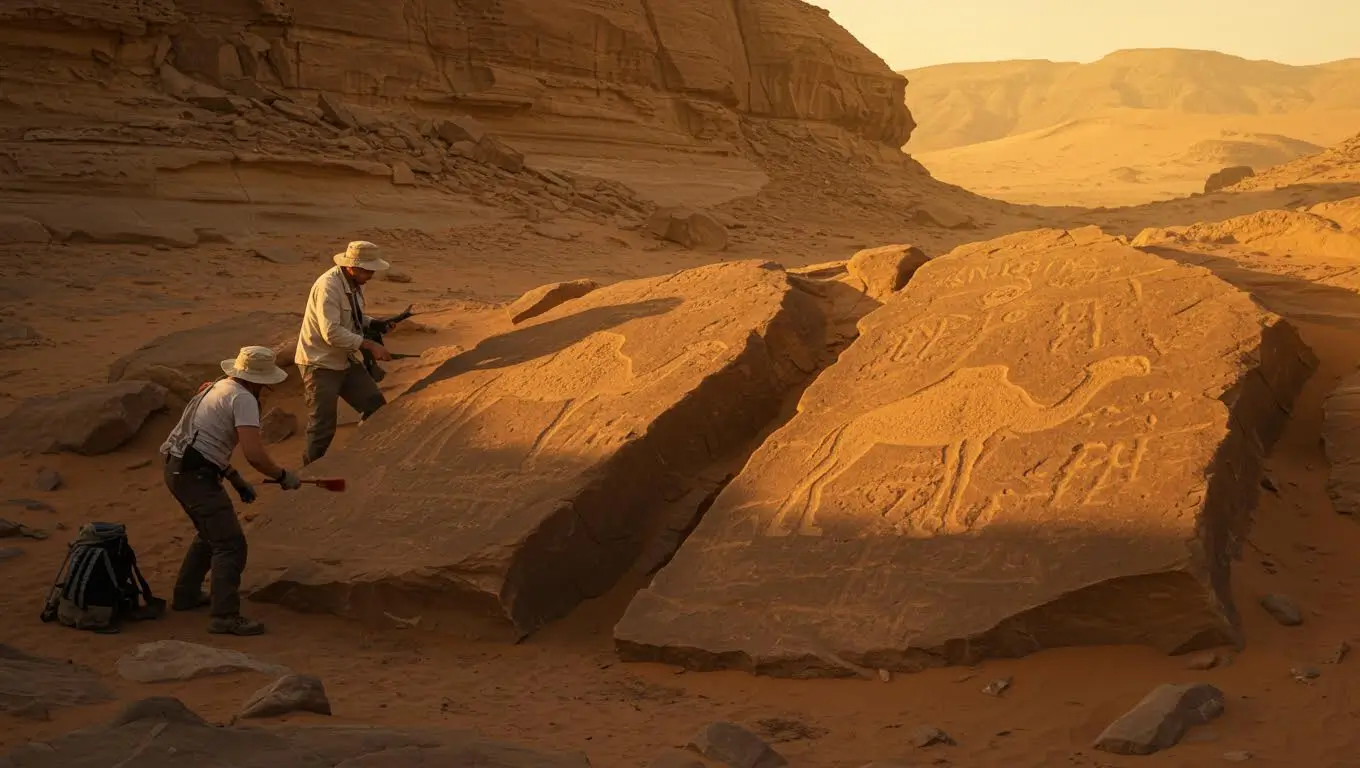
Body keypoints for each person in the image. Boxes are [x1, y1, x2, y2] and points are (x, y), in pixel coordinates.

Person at [159, 345, 303, 636]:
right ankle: (225, 615)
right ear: (257, 379)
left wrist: (234, 478)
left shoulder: (217, 387)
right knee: (231, 544)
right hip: (194, 475)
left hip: (177, 468)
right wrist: (283, 475)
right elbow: (254, 454)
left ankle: (186, 595)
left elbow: (201, 439)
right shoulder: (244, 398)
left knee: (210, 534)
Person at [295, 240, 394, 465]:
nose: (371, 275)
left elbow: (351, 317)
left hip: (345, 359)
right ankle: (308, 474)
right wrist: (369, 345)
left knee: (375, 408)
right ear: (352, 266)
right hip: (320, 363)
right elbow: (331, 332)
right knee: (322, 425)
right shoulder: (328, 286)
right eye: (368, 270)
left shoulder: (353, 283)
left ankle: (360, 455)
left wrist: (373, 323)